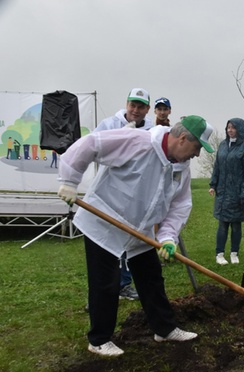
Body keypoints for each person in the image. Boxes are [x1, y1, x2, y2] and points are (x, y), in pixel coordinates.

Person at [57, 115, 215, 356]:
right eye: (196, 148)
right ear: (182, 138)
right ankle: (99, 339)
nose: (197, 155)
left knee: (151, 278)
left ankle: (164, 329)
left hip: (139, 230)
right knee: (106, 282)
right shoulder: (138, 141)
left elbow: (180, 205)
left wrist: (168, 237)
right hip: (104, 221)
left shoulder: (181, 167)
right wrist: (69, 180)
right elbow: (91, 144)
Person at [95, 88, 154, 301]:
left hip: (135, 195)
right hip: (109, 193)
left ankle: (124, 284)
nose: (135, 110)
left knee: (130, 243)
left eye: (140, 106)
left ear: (147, 109)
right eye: (132, 105)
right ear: (127, 104)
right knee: (106, 246)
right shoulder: (110, 125)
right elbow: (95, 150)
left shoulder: (151, 130)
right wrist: (121, 139)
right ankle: (103, 292)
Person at [209, 118, 244, 265]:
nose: (230, 130)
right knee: (222, 224)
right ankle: (219, 253)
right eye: (228, 127)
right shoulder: (222, 146)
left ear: (240, 130)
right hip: (222, 192)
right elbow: (217, 167)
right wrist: (213, 184)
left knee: (236, 224)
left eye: (233, 128)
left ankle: (234, 252)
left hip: (238, 193)